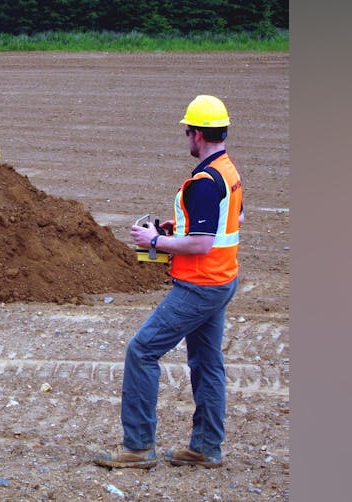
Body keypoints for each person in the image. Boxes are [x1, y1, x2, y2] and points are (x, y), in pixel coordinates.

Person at [94, 94, 244, 470]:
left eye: (187, 133)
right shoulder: (229, 172)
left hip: (199, 285)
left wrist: (156, 242)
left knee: (142, 351)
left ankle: (138, 447)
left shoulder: (204, 182)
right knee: (207, 362)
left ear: (196, 134)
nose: (187, 139)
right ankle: (206, 447)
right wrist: (172, 227)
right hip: (222, 280)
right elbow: (231, 223)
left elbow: (202, 242)